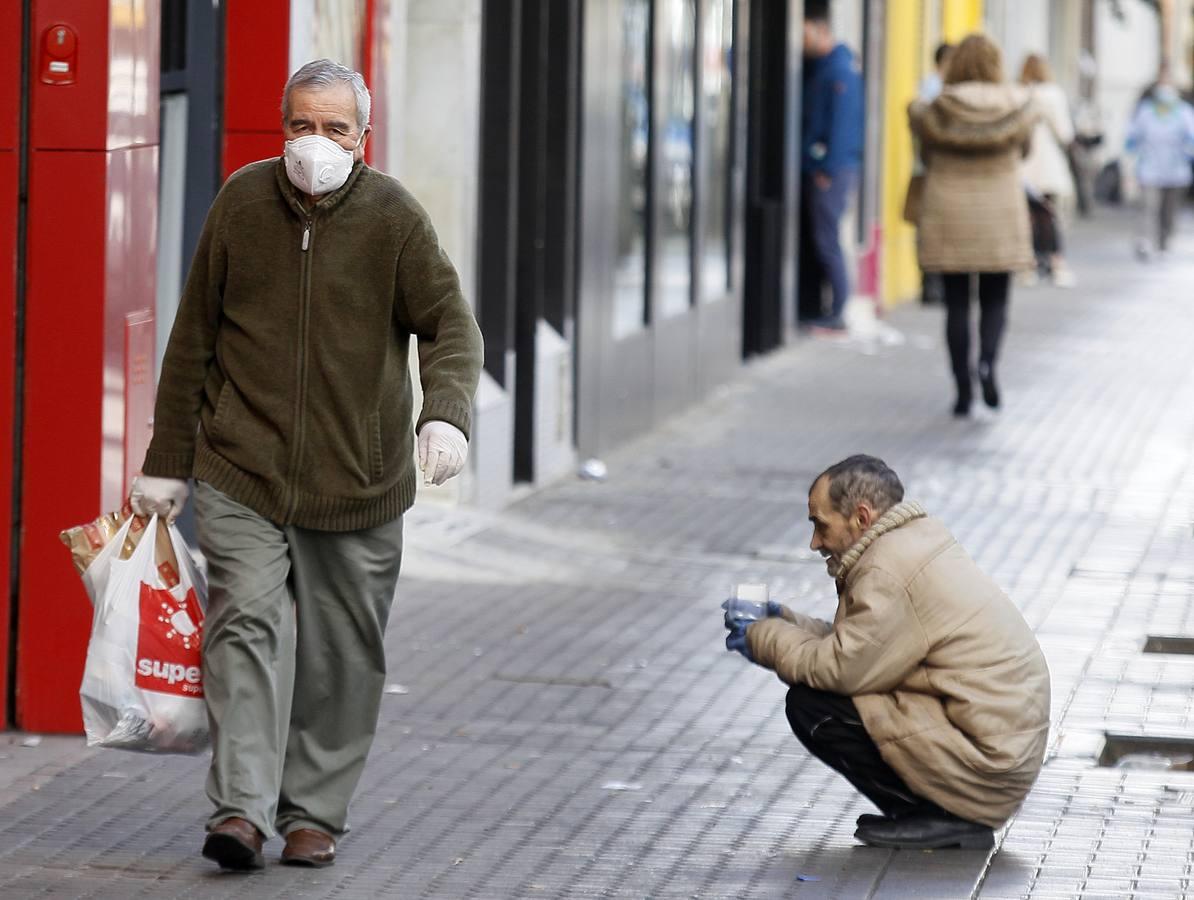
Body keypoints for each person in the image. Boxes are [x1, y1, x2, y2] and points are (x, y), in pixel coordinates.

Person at [129, 59, 483, 870]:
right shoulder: (242, 203)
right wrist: (166, 462)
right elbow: (193, 341)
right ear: (278, 126)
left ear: (364, 138)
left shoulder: (394, 218)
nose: (313, 143)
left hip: (359, 481)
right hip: (241, 466)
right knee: (242, 627)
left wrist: (447, 416)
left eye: (333, 128)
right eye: (299, 124)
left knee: (341, 653)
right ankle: (242, 812)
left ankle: (314, 812)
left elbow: (452, 326)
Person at [723, 455, 1050, 850]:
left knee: (814, 704)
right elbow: (865, 647)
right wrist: (783, 620)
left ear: (861, 517)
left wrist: (761, 635)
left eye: (820, 525)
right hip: (997, 755)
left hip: (985, 771)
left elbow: (842, 668)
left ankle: (941, 816)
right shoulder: (910, 542)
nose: (815, 543)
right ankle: (936, 811)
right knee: (830, 688)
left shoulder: (887, 570)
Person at [908, 34, 1036, 417]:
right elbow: (1025, 151)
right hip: (1000, 210)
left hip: (949, 210)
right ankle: (988, 365)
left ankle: (963, 387)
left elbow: (925, 154)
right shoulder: (1017, 104)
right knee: (996, 298)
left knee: (957, 303)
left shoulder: (938, 108)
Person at [797, 0, 864, 333]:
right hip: (824, 168)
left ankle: (839, 309)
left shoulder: (839, 70)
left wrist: (826, 168)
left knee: (827, 240)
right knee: (822, 239)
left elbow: (842, 126)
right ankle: (827, 306)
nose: (800, 40)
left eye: (804, 32)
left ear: (821, 30)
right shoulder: (824, 66)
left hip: (831, 171)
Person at [1019, 54, 1077, 286]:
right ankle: (1056, 263)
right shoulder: (1054, 95)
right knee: (1050, 215)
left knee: (1028, 216)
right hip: (1048, 164)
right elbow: (1065, 133)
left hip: (1024, 165)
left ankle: (1029, 265)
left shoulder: (1019, 93)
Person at [1125, 73, 1194, 259]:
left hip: (1176, 168)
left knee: (1168, 210)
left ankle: (1164, 243)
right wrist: (1129, 157)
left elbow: (1192, 137)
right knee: (1148, 205)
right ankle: (1144, 241)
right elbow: (1132, 136)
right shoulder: (1146, 111)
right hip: (1149, 168)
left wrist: (1189, 151)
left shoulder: (1185, 112)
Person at [916, 43, 952, 306]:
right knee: (934, 227)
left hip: (938, 170)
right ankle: (932, 284)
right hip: (936, 171)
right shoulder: (933, 89)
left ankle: (935, 284)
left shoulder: (940, 89)